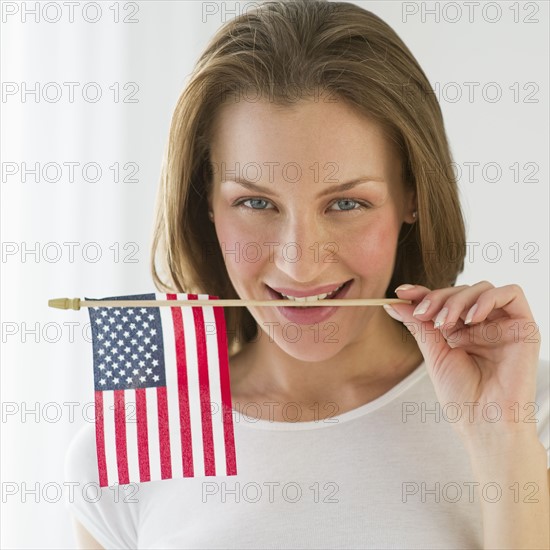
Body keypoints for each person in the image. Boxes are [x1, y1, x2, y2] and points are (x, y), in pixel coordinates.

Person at [65, 1, 550, 548]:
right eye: (254, 202)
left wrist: (502, 443)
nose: (299, 263)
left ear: (412, 195)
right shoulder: (129, 447)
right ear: (204, 200)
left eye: (346, 204)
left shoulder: (531, 412)